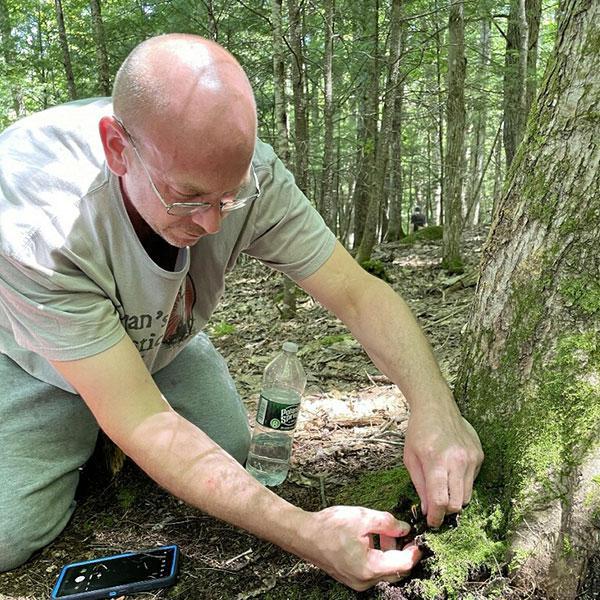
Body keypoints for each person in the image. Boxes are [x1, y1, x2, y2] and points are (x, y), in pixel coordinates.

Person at [0, 34, 483, 590]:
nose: (211, 224)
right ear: (116, 149)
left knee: (230, 458)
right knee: (10, 535)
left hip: (163, 342)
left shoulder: (250, 174)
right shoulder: (38, 226)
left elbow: (358, 293)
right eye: (188, 197)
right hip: (38, 359)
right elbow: (143, 420)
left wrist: (436, 409)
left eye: (226, 199)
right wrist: (307, 533)